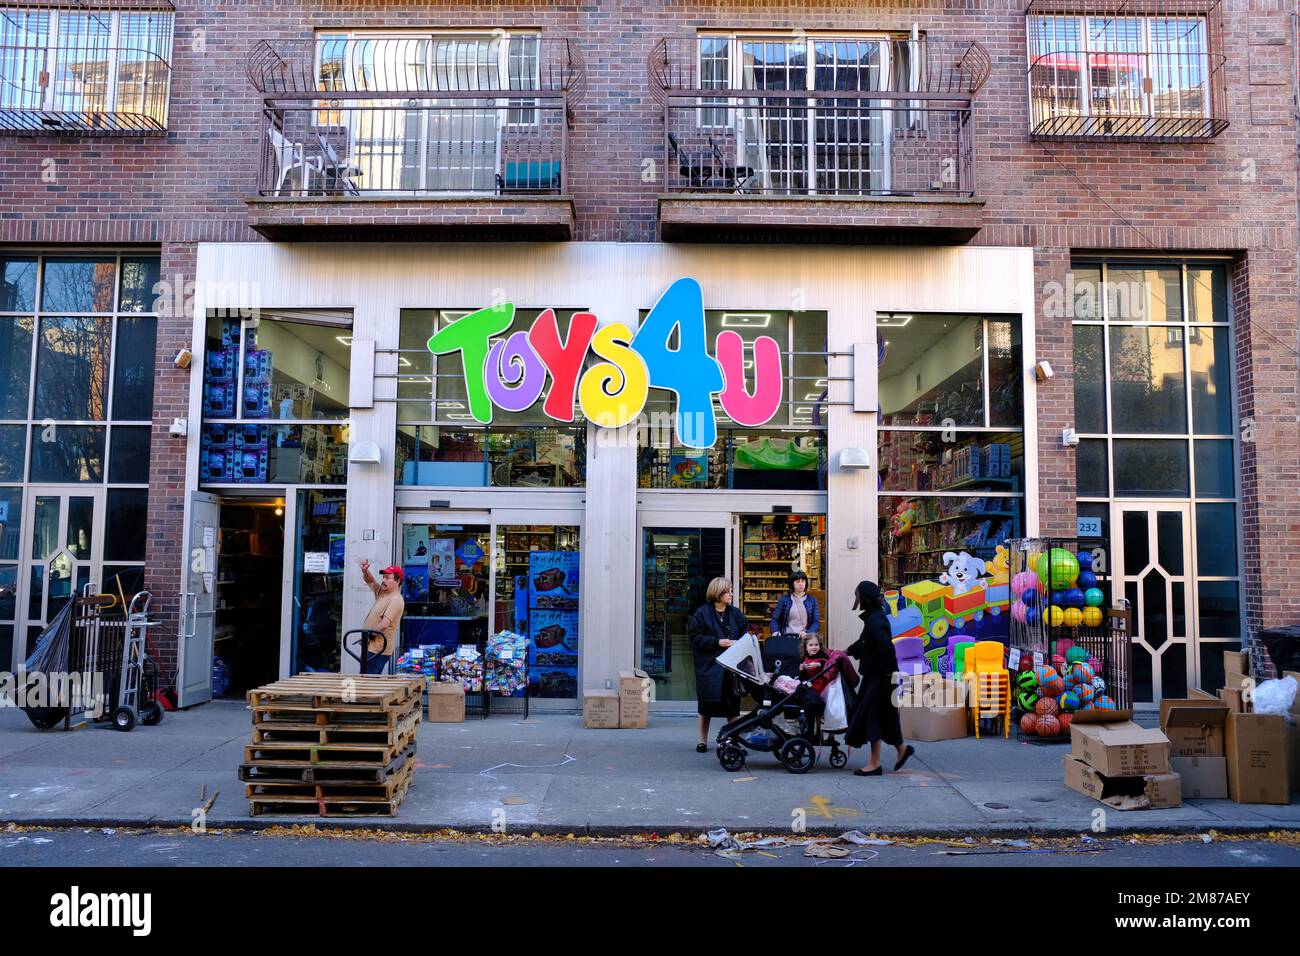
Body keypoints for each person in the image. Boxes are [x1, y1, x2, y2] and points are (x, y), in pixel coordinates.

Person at [843, 580, 914, 777]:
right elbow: (865, 642)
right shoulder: (875, 617)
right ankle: (901, 749)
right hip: (883, 675)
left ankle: (875, 763)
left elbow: (886, 647)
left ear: (863, 598)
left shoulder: (875, 620)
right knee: (886, 716)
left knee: (872, 716)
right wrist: (846, 651)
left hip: (880, 676)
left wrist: (888, 674)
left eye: (857, 596)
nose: (856, 600)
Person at [687, 576, 748, 753]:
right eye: (727, 591)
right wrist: (717, 642)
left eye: (731, 591)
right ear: (717, 593)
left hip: (730, 667)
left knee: (732, 705)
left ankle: (733, 739)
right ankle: (702, 741)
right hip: (709, 666)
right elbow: (694, 637)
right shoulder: (702, 613)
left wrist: (740, 644)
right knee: (706, 706)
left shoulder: (736, 614)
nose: (731, 594)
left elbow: (745, 632)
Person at [359, 559, 406, 675]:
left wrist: (369, 635)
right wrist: (365, 571)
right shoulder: (383, 592)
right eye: (383, 577)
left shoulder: (396, 600)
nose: (383, 580)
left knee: (368, 681)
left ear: (397, 581)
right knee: (365, 677)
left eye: (387, 578)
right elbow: (371, 581)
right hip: (371, 646)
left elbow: (385, 624)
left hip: (378, 648)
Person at [770, 571, 820, 638]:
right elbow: (774, 619)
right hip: (787, 637)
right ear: (792, 583)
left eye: (803, 581)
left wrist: (807, 633)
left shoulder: (812, 600)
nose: (801, 584)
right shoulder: (784, 600)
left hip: (805, 638)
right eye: (797, 581)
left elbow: (816, 622)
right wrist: (775, 631)